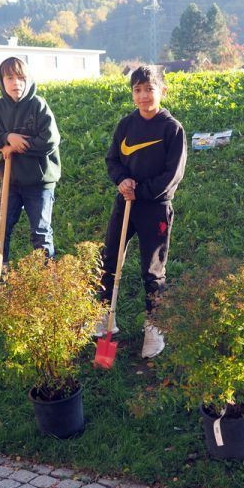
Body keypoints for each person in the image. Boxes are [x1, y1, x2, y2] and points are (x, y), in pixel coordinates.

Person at [97, 65, 187, 358]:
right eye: (137, 90)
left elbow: (172, 175)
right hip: (125, 203)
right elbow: (113, 159)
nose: (144, 96)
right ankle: (104, 317)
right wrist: (121, 180)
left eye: (149, 89)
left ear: (162, 91)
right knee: (109, 259)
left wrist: (143, 191)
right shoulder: (126, 125)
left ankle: (155, 327)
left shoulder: (171, 128)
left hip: (154, 208)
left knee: (152, 270)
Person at [0, 57, 61, 266]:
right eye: (10, 77)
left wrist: (18, 146)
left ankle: (48, 280)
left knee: (41, 231)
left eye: (21, 77)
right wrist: (7, 138)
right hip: (12, 181)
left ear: (28, 80)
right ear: (2, 81)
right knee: (0, 226)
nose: (15, 82)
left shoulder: (38, 105)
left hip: (39, 181)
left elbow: (50, 140)